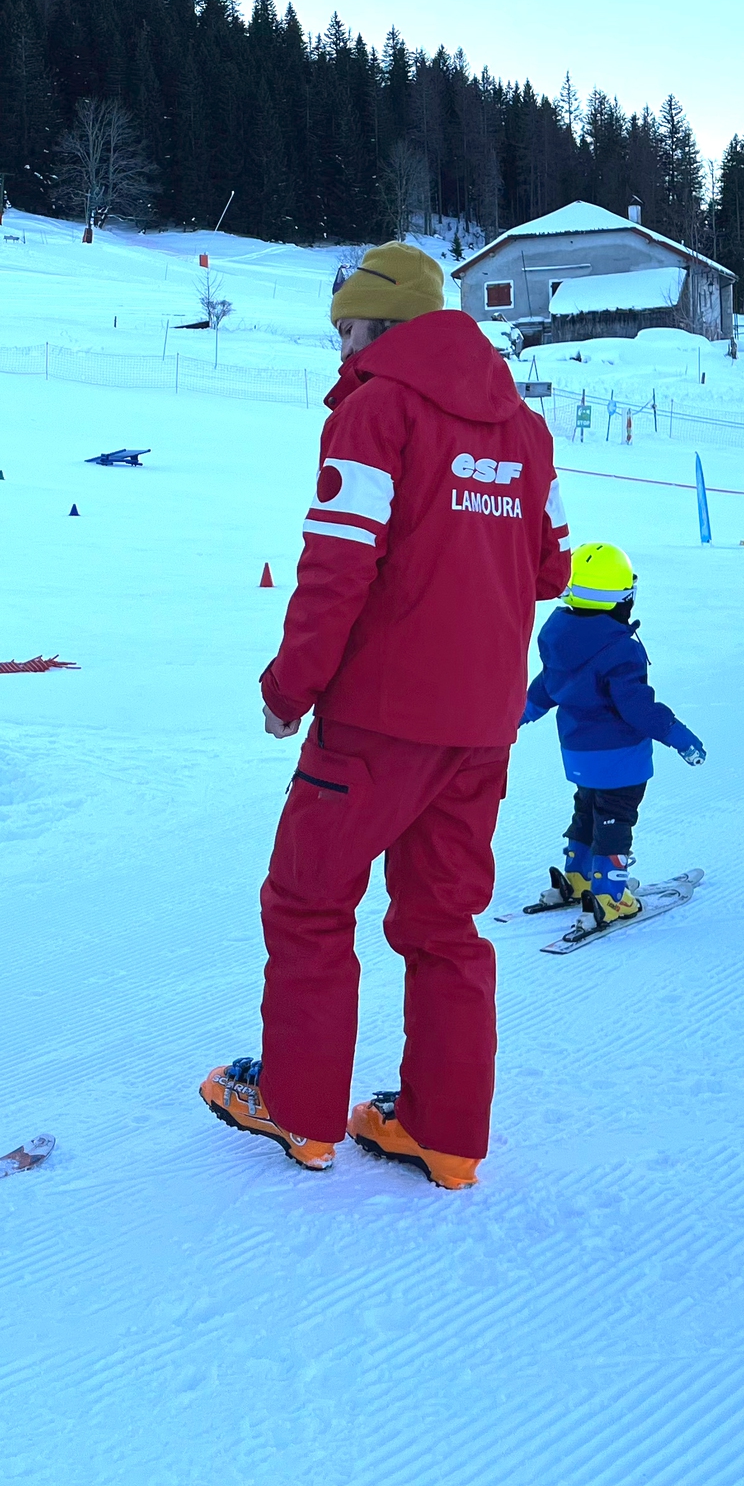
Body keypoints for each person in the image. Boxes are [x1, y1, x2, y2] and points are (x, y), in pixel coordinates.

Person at [201, 241, 568, 1192]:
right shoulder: (526, 432)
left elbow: (336, 566)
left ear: (380, 326)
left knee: (310, 902)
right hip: (482, 726)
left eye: (347, 331)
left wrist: (291, 687)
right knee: (445, 923)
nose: (340, 353)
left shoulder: (376, 412)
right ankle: (446, 1138)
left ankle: (299, 1110)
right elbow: (551, 569)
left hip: (374, 725)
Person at [519, 542, 706, 929]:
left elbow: (546, 687)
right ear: (623, 597)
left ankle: (577, 877)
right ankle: (610, 896)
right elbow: (637, 709)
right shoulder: (619, 650)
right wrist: (678, 735)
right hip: (619, 758)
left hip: (577, 755)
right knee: (614, 820)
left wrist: (517, 714)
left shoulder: (559, 638)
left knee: (586, 809)